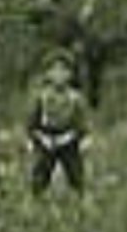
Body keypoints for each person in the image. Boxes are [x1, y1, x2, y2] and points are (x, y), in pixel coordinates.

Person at [27, 56, 91, 199]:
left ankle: (79, 197)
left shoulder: (75, 98)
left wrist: (79, 138)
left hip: (68, 139)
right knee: (40, 171)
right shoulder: (41, 97)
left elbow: (82, 125)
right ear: (47, 74)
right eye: (54, 70)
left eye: (63, 70)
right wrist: (38, 138)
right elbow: (32, 124)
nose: (59, 75)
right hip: (46, 140)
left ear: (70, 75)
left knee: (75, 172)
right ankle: (36, 197)